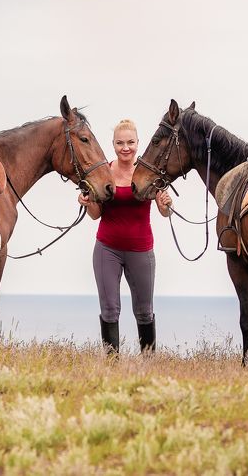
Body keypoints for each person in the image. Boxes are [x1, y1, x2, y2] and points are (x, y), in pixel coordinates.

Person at [79, 118, 172, 354]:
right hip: (107, 249)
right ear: (113, 145)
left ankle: (148, 364)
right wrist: (86, 202)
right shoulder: (105, 173)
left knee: (144, 311)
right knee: (109, 309)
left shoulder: (147, 174)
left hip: (141, 251)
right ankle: (112, 364)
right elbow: (94, 215)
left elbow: (164, 212)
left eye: (130, 142)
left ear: (138, 144)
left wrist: (166, 204)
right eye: (120, 143)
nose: (125, 147)